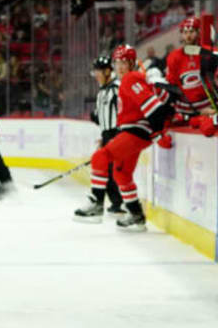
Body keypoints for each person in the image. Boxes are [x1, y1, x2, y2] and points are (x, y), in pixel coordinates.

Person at [74, 45, 218, 230]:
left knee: (100, 157)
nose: (120, 66)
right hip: (134, 131)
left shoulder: (131, 79)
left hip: (137, 131)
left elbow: (153, 110)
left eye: (124, 62)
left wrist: (157, 134)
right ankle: (136, 215)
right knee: (121, 173)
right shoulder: (131, 79)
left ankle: (96, 203)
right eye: (117, 62)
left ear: (132, 63)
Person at [86, 56, 124, 218]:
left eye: (98, 71)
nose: (96, 75)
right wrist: (103, 136)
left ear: (108, 71)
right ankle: (114, 203)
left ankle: (113, 203)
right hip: (107, 134)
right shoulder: (102, 91)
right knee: (105, 169)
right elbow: (101, 117)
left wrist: (119, 135)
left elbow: (123, 113)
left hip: (117, 133)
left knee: (110, 169)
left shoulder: (116, 88)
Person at [165, 16, 216, 117]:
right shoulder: (174, 57)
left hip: (210, 106)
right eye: (185, 32)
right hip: (187, 110)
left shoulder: (208, 52)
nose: (188, 35)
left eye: (191, 31)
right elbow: (173, 84)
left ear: (198, 32)